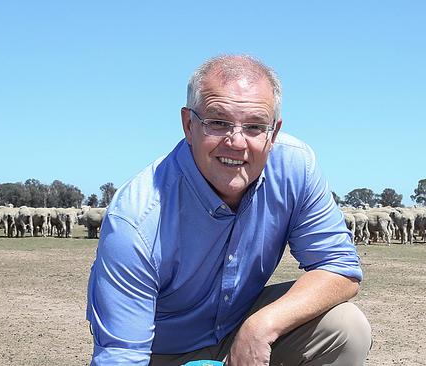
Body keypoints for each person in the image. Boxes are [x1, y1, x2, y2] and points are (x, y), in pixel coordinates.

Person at [86, 55, 372, 365]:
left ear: (273, 133)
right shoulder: (136, 220)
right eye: (218, 122)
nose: (236, 142)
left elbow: (339, 266)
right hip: (162, 351)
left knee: (346, 328)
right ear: (188, 125)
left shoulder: (295, 167)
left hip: (240, 328)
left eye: (254, 126)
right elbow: (122, 355)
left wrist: (262, 325)